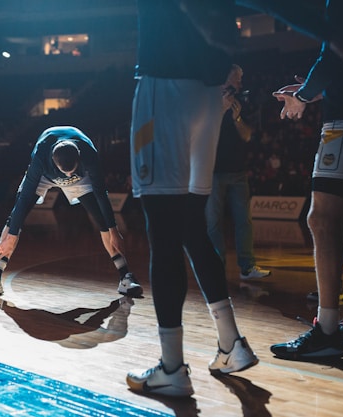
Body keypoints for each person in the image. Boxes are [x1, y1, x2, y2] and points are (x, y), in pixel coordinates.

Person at [125, 0, 258, 398]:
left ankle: (171, 368)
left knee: (163, 233)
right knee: (192, 229)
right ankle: (231, 343)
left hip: (164, 90)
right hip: (209, 95)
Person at [270, 0, 343, 360]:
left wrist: (301, 96)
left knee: (322, 219)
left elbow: (334, 55)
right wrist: (314, 91)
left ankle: (327, 329)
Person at [0, 126, 143, 299]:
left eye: (70, 171)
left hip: (80, 178)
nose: (67, 175)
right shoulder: (41, 156)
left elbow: (101, 194)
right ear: (53, 160)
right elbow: (23, 201)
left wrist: (114, 231)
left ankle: (125, 277)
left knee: (102, 220)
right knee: (15, 219)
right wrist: (12, 237)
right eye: (64, 172)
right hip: (46, 177)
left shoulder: (89, 153)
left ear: (79, 158)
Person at [205, 64, 271, 280]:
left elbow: (247, 136)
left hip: (238, 172)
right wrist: (221, 110)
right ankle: (216, 266)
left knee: (244, 220)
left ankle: (247, 267)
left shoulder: (241, 102)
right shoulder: (207, 100)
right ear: (226, 80)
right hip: (212, 172)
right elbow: (202, 134)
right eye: (237, 79)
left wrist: (237, 118)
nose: (240, 84)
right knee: (213, 222)